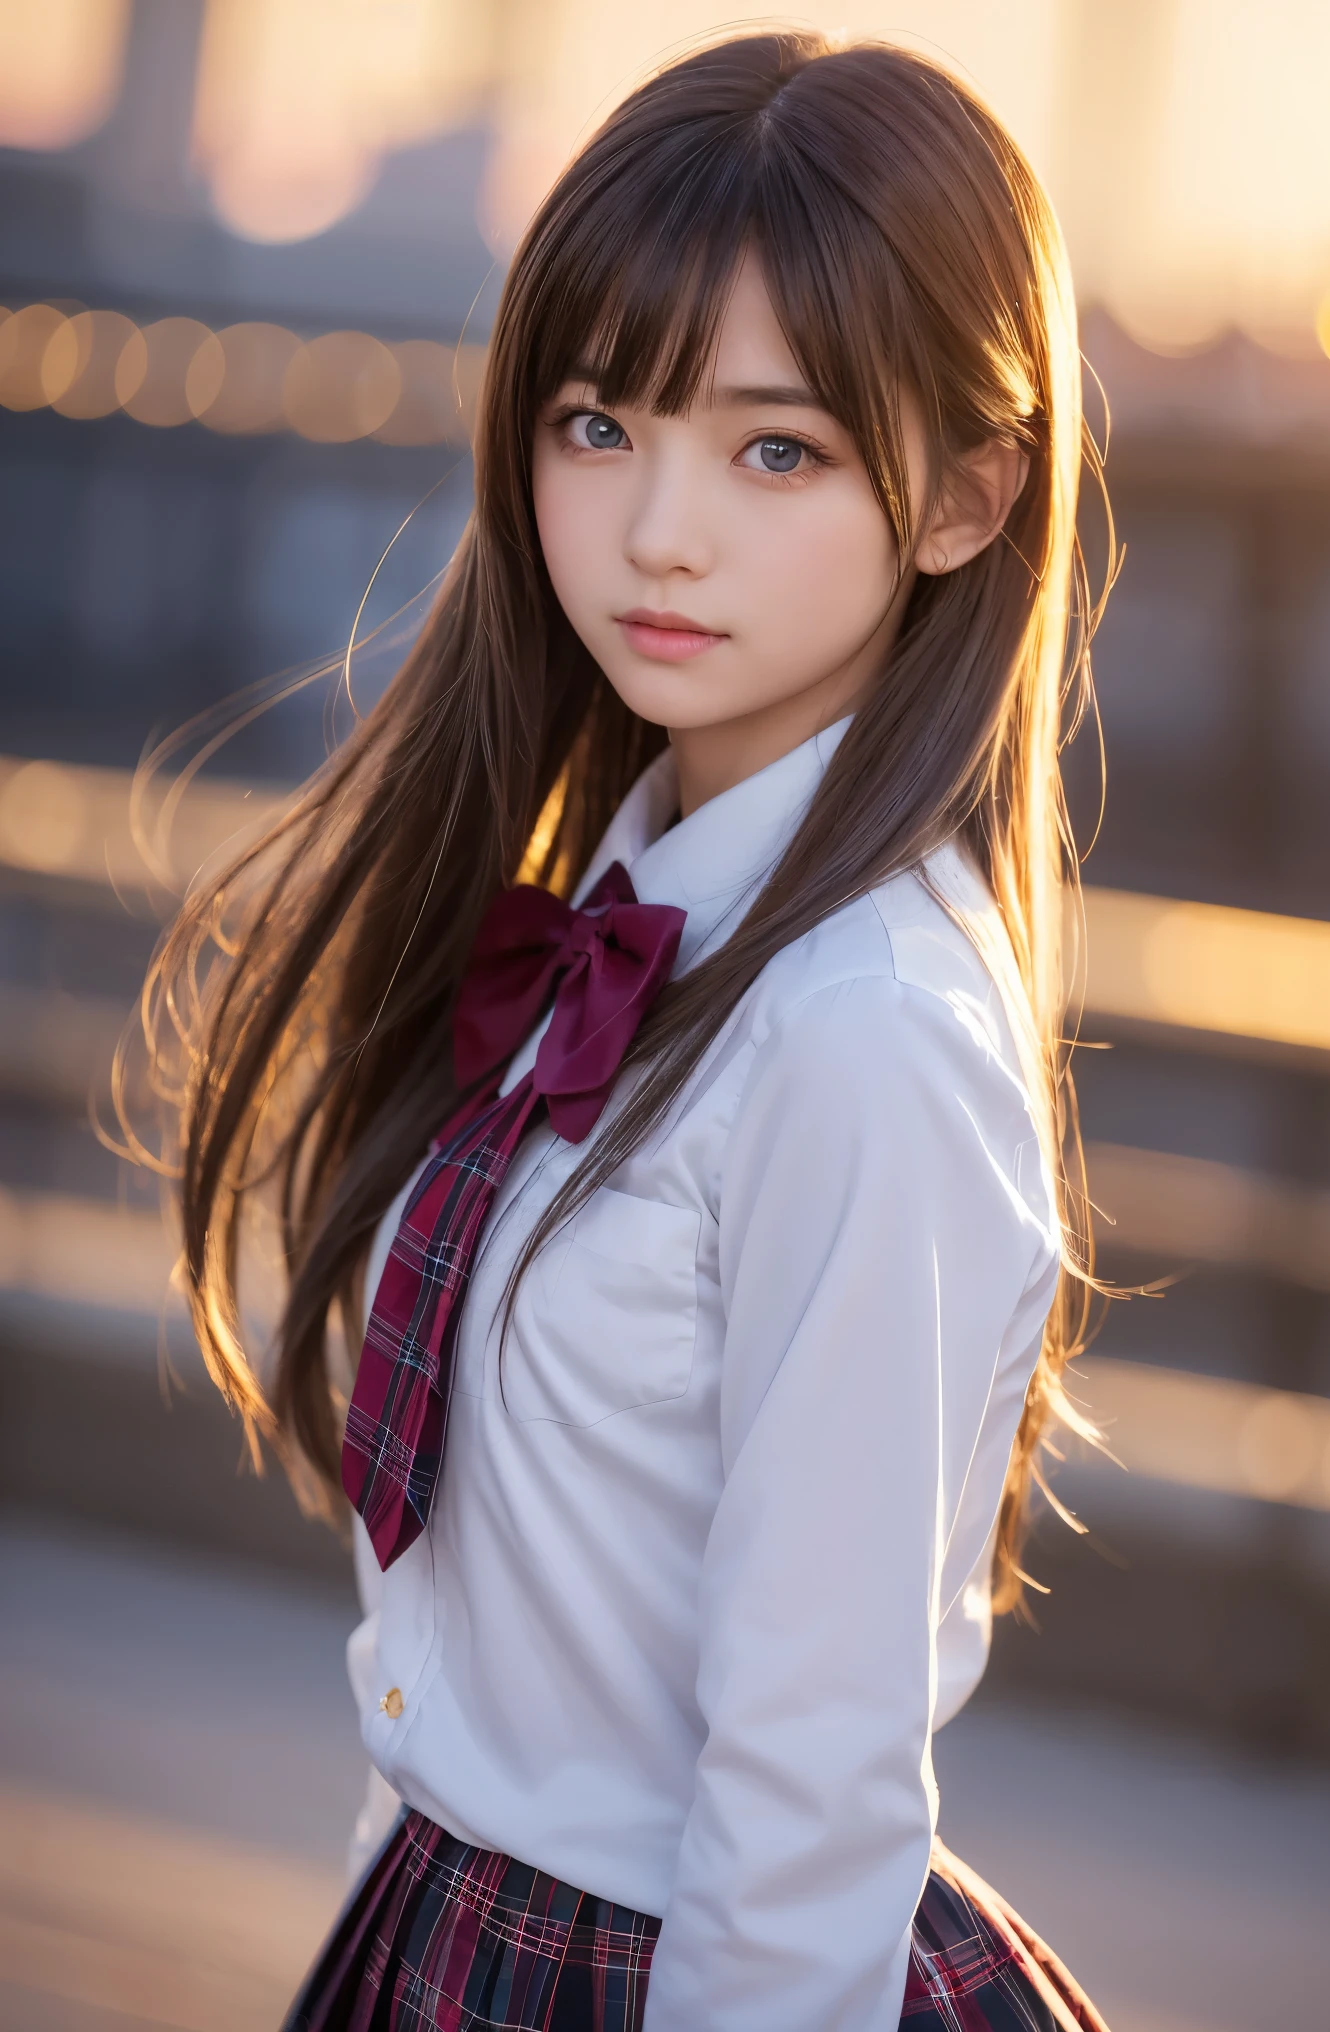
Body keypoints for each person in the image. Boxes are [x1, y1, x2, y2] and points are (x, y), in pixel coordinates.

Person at [140, 28, 1110, 2031]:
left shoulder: (865, 1032)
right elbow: (486, 1644)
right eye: (598, 423)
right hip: (443, 1919)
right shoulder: (622, 910)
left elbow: (809, 1794)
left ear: (960, 494)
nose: (660, 528)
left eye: (775, 448)